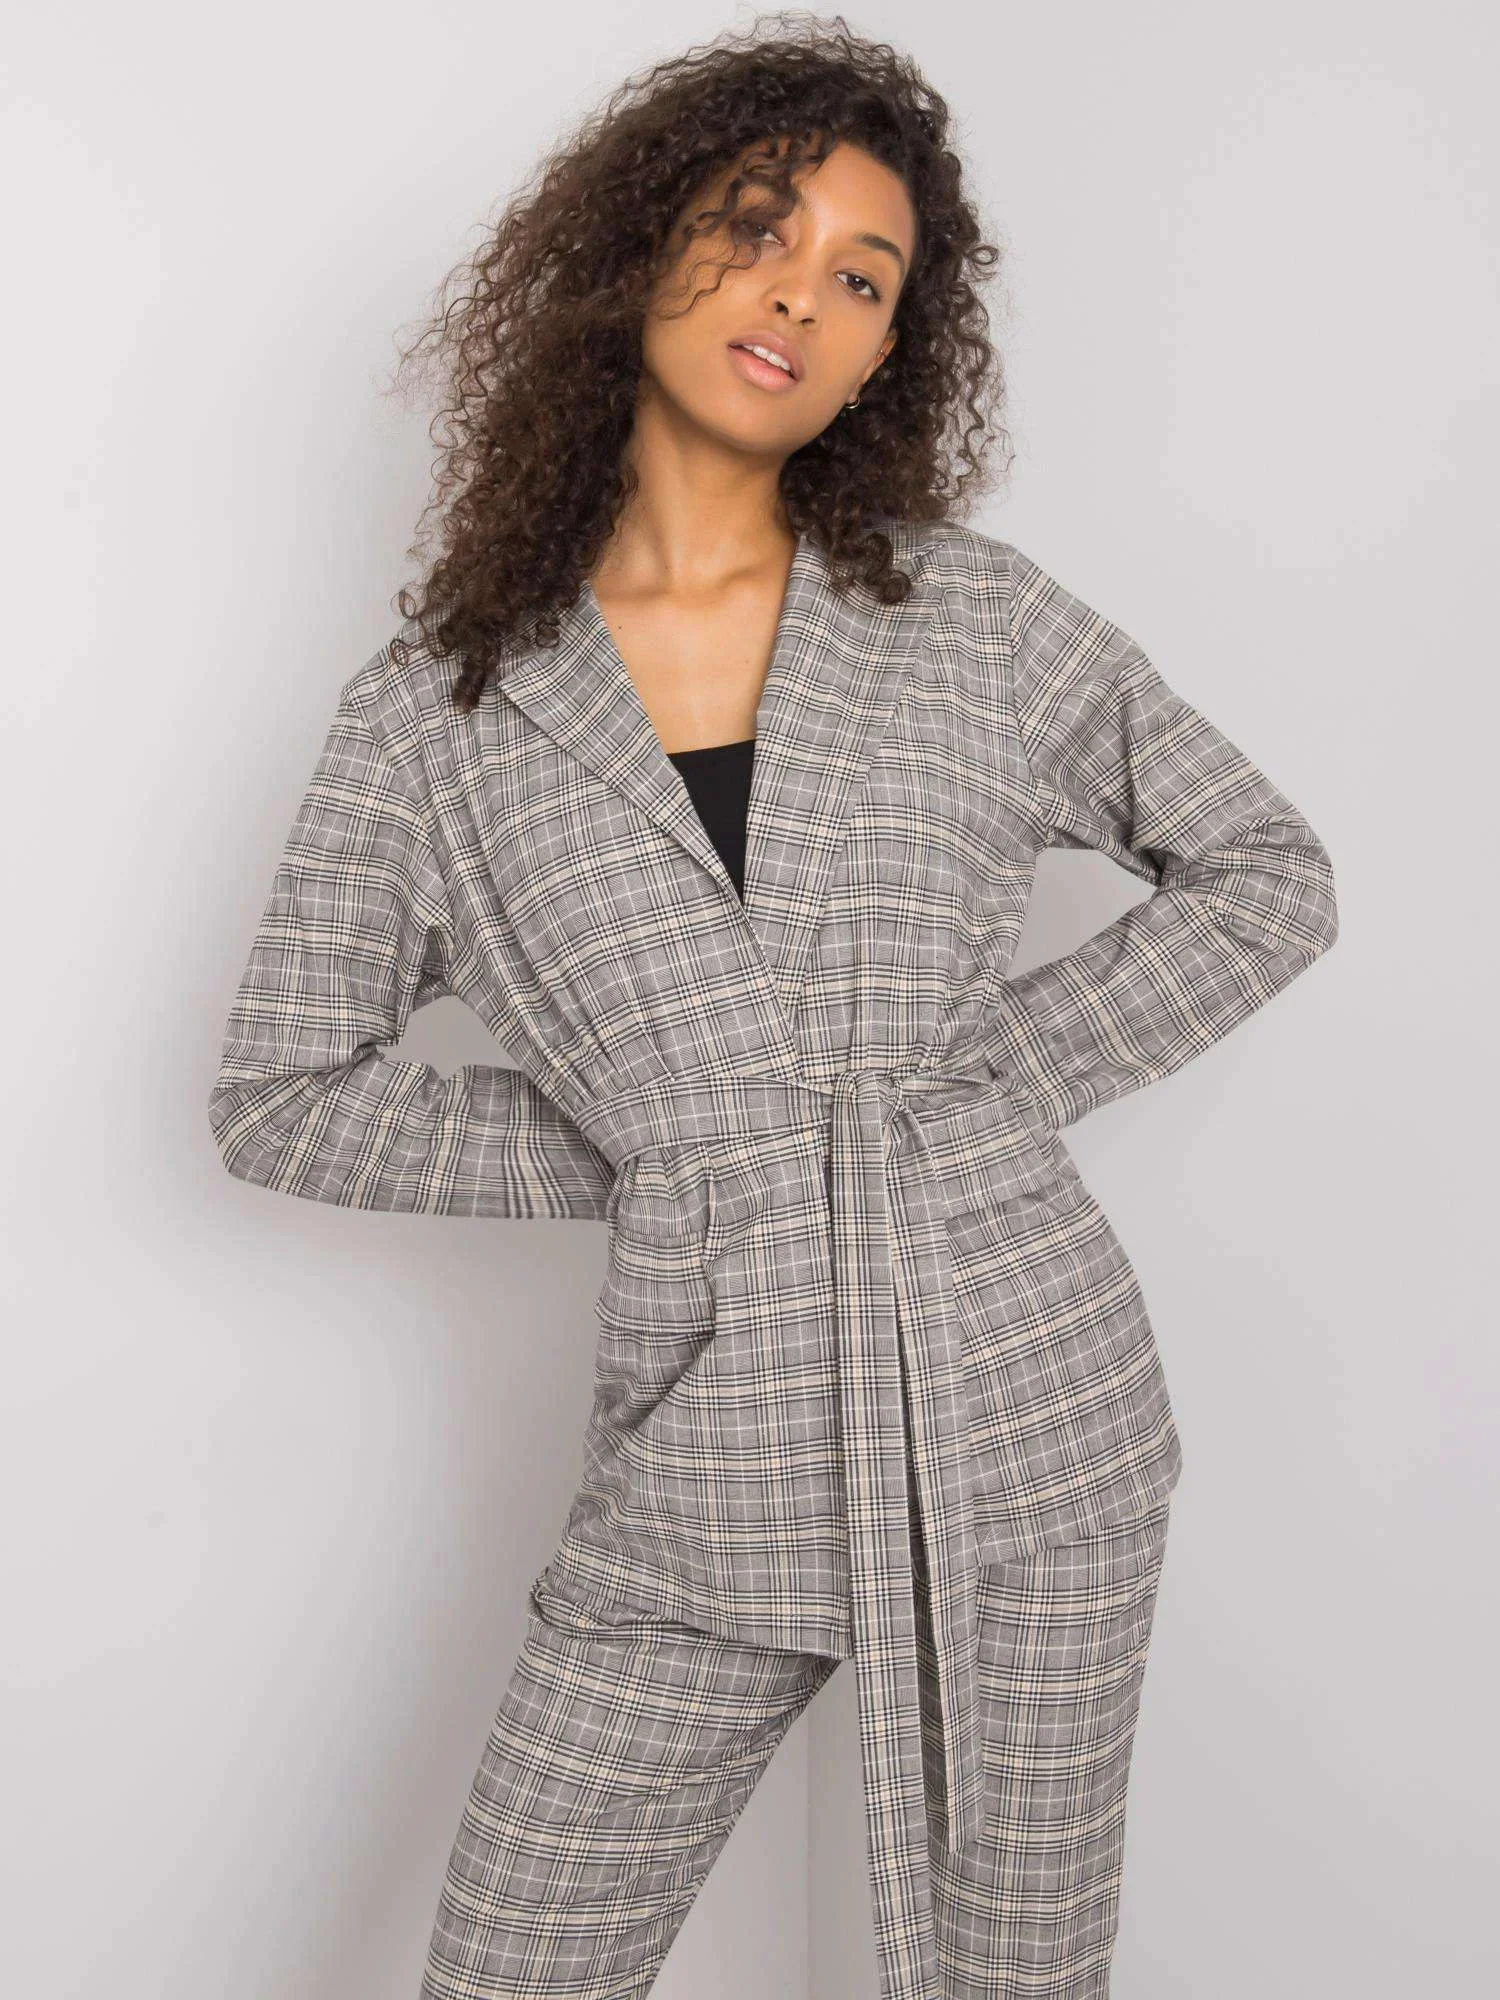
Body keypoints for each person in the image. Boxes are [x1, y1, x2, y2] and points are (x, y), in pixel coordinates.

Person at [207, 19, 1339, 2000]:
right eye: (760, 225)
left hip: (1028, 1417)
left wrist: (995, 1072)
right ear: (643, 242)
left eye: (863, 278)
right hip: (702, 1448)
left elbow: (1268, 872)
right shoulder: (439, 718)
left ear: (891, 352)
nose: (801, 295)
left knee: (1011, 1980)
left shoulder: (975, 622)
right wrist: (654, 1150)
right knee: (514, 1969)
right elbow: (281, 1092)